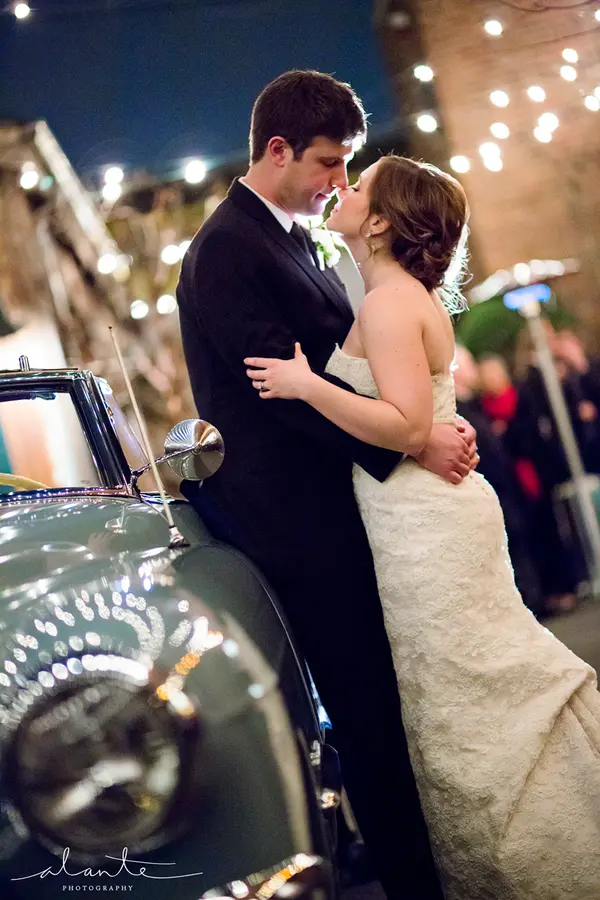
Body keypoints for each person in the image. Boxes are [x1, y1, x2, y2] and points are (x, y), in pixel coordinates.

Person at [245, 155, 600, 900]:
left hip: (426, 520)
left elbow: (407, 424)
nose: (344, 188)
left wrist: (307, 384)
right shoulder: (400, 298)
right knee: (461, 692)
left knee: (469, 694)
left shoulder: (388, 304)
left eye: (360, 184)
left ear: (378, 221)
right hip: (423, 514)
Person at [176, 70, 479, 900]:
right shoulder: (229, 250)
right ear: (277, 151)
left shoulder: (283, 235)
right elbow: (286, 396)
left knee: (387, 709)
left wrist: (412, 425)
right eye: (327, 164)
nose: (338, 183)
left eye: (347, 167)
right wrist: (412, 445)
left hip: (344, 512)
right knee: (371, 718)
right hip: (299, 529)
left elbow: (335, 369)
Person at [453, 346, 545, 616]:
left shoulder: (476, 403)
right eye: (467, 363)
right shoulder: (460, 408)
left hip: (506, 487)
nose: (473, 370)